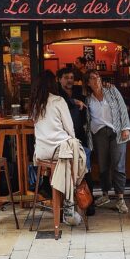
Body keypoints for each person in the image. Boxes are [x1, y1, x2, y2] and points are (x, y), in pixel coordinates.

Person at [29, 70, 87, 217]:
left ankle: (58, 192)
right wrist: (74, 140)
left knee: (71, 156)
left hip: (42, 153)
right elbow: (70, 128)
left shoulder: (35, 104)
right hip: (59, 150)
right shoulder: (58, 100)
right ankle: (71, 199)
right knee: (82, 154)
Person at [84, 69, 130, 214]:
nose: (96, 79)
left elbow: (122, 108)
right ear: (88, 83)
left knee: (118, 165)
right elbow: (87, 118)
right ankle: (105, 194)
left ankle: (120, 199)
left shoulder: (112, 91)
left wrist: (126, 127)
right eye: (92, 78)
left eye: (98, 77)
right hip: (99, 134)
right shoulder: (88, 99)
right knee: (103, 165)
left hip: (116, 131)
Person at [56, 67, 95, 216]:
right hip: (63, 138)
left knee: (86, 168)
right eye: (66, 77)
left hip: (80, 136)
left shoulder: (79, 91)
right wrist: (73, 102)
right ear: (59, 79)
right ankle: (67, 205)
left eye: (71, 77)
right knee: (68, 171)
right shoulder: (57, 95)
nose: (69, 80)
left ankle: (89, 204)